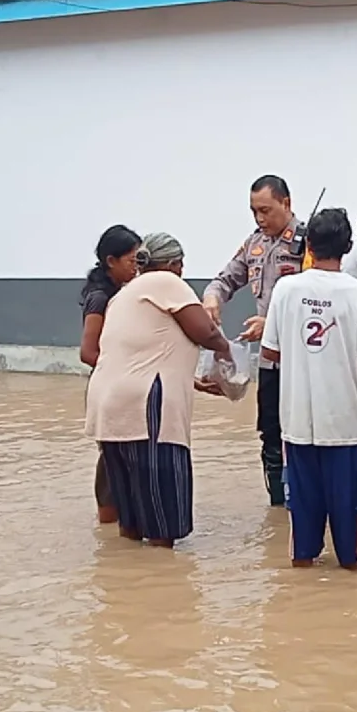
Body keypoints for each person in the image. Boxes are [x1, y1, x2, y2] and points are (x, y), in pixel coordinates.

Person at [87, 233, 233, 547]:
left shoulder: (123, 295)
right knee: (161, 521)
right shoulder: (165, 282)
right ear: (172, 263)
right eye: (180, 265)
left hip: (109, 406)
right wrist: (228, 353)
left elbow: (142, 351)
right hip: (146, 407)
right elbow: (205, 331)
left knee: (131, 520)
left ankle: (128, 585)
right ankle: (163, 586)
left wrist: (191, 381)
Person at [261, 208, 357, 569]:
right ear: (348, 247)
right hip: (344, 425)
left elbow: (271, 351)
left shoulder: (286, 289)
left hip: (297, 424)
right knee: (354, 555)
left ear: (309, 245)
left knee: (302, 549)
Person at [203, 175, 306, 507]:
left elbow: (318, 300)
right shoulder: (254, 244)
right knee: (271, 434)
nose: (260, 219)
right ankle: (278, 508)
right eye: (254, 211)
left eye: (266, 210)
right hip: (271, 362)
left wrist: (272, 322)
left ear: (286, 204)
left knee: (305, 436)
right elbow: (226, 278)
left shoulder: (309, 243)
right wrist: (212, 298)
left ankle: (306, 503)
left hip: (305, 359)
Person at [80, 224, 143, 525]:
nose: (137, 268)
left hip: (125, 384)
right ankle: (108, 522)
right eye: (132, 261)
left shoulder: (127, 293)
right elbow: (87, 352)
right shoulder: (100, 298)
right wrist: (122, 369)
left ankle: (123, 523)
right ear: (111, 261)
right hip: (110, 388)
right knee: (111, 459)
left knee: (126, 457)